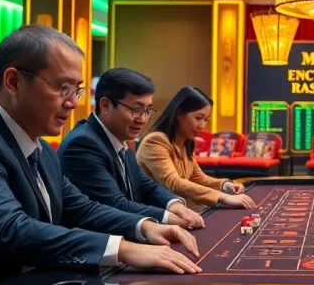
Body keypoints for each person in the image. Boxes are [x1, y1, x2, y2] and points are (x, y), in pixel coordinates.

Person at [0, 25, 201, 285]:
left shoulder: (41, 149)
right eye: (62, 87)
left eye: (76, 90)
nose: (73, 102)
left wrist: (145, 226)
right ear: (13, 81)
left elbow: (82, 208)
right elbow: (11, 230)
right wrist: (125, 249)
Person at [58, 68, 205, 230]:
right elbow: (115, 204)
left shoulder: (120, 139)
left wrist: (174, 204)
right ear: (105, 105)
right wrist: (168, 217)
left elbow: (146, 185)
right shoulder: (83, 144)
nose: (142, 119)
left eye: (148, 110)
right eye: (136, 110)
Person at [136, 86, 256, 210]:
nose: (202, 125)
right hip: (161, 217)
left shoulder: (184, 142)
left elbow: (198, 178)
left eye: (206, 120)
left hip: (186, 210)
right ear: (179, 114)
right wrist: (224, 197)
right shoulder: (156, 141)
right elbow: (174, 183)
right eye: (198, 118)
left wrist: (225, 185)